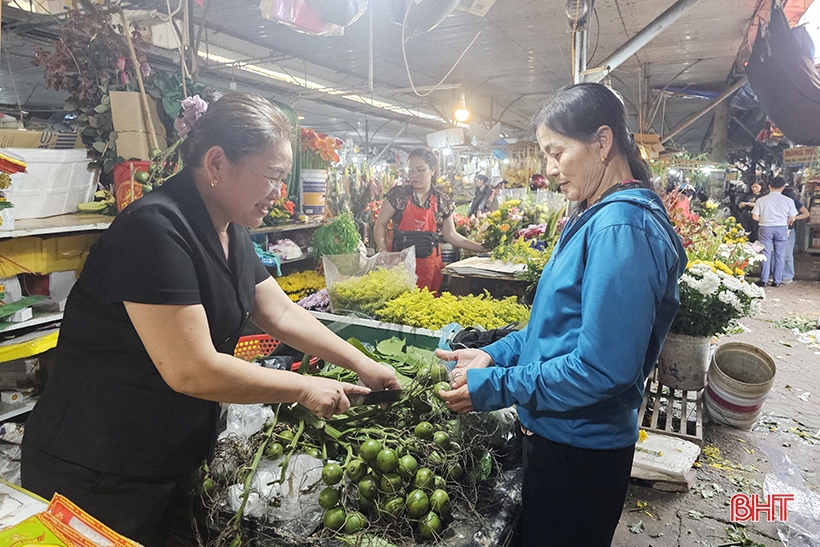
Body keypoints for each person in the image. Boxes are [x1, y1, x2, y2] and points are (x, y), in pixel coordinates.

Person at [21, 93, 400, 546]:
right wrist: (304, 387)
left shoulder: (229, 230)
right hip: (101, 468)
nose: (280, 193)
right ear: (217, 163)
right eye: (273, 177)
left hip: (167, 454)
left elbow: (279, 311)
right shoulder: (155, 230)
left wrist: (363, 364)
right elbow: (191, 369)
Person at [437, 83, 686, 547]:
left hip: (580, 451)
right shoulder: (597, 215)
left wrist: (498, 387)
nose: (549, 169)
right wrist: (493, 355)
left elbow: (602, 367)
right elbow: (554, 325)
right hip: (561, 435)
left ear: (602, 142)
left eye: (556, 152)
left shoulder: (621, 228)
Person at [374, 148, 485, 293]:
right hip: (399, 264)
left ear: (432, 170)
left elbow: (450, 235)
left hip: (428, 266)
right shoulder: (398, 195)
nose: (414, 175)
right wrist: (381, 248)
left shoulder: (442, 200)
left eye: (420, 170)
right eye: (411, 170)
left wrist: (481, 248)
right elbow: (380, 224)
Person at [753, 176, 797, 287]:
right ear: (782, 187)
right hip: (782, 228)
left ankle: (764, 280)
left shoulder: (761, 200)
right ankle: (777, 281)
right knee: (780, 255)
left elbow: (754, 216)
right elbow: (792, 218)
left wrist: (764, 220)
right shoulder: (788, 201)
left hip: (765, 228)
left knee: (765, 254)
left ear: (769, 186)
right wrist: (783, 222)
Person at [781, 185, 810, 284]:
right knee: (775, 253)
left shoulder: (795, 202)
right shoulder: (777, 201)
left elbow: (806, 213)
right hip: (778, 228)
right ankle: (776, 274)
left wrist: (794, 218)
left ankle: (787, 275)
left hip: (789, 229)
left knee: (787, 253)